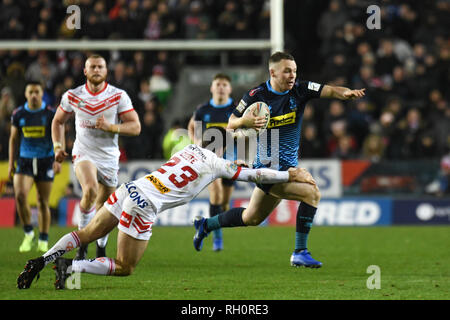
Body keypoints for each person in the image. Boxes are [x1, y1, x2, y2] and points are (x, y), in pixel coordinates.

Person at [16, 128, 315, 289]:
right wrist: (290, 174)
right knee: (125, 267)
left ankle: (43, 259)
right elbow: (256, 175)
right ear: (220, 147)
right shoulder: (217, 163)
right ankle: (71, 267)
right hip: (144, 204)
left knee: (85, 233)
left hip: (130, 187)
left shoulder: (187, 149)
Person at [193, 51, 365, 268]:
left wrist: (345, 93)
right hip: (267, 168)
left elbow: (328, 89)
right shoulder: (256, 95)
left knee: (251, 218)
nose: (292, 75)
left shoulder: (300, 90)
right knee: (312, 193)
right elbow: (231, 122)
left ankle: (205, 225)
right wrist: (246, 120)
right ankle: (300, 252)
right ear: (273, 72)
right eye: (287, 71)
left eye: (294, 71)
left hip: (287, 166)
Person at [51, 54, 141, 260]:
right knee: (90, 190)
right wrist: (57, 146)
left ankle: (101, 245)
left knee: (105, 207)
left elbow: (136, 127)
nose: (97, 70)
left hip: (109, 157)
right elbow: (57, 121)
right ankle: (82, 244)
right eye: (92, 67)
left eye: (100, 67)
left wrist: (111, 127)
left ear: (106, 71)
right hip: (84, 153)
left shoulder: (118, 96)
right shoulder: (73, 96)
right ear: (85, 71)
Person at [8, 81, 59, 253]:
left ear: (42, 93)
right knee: (21, 196)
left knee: (43, 202)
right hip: (25, 161)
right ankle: (29, 233)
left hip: (46, 160)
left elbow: (57, 136)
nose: (34, 95)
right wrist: (10, 164)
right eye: (31, 92)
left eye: (37, 92)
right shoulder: (19, 114)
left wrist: (58, 159)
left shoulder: (50, 113)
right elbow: (13, 139)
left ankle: (43, 239)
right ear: (26, 94)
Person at [187, 73, 236, 251]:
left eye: (224, 84)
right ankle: (218, 238)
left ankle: (206, 224)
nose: (221, 87)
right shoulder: (203, 110)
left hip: (230, 159)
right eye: (218, 84)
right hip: (209, 160)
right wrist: (196, 143)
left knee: (224, 204)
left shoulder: (236, 109)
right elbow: (192, 125)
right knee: (215, 194)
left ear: (229, 89)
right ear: (212, 88)